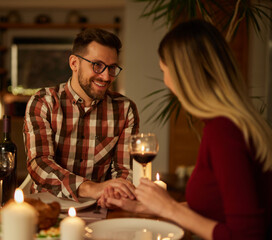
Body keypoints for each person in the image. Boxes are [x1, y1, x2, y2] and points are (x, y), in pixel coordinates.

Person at [106, 19, 272, 240]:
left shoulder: (225, 131)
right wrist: (146, 207)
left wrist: (169, 209)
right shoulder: (228, 123)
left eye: (164, 70)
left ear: (183, 75)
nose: (166, 82)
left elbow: (247, 235)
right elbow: (216, 210)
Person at [23, 28, 139, 202]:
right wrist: (89, 188)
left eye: (112, 67)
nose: (106, 76)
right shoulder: (43, 102)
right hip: (48, 206)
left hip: (100, 205)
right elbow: (39, 163)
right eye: (97, 65)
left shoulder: (125, 109)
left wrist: (116, 194)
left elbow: (124, 169)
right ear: (74, 63)